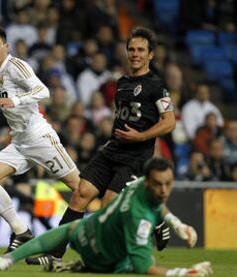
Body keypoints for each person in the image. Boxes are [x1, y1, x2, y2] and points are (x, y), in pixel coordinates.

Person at [27, 26, 177, 265]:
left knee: (108, 205)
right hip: (112, 150)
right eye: (131, 49)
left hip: (135, 156)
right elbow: (123, 118)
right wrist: (112, 139)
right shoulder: (121, 83)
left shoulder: (156, 86)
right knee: (80, 195)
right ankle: (54, 255)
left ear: (150, 55)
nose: (135, 54)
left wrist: (142, 136)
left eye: (141, 50)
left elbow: (169, 122)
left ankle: (150, 221)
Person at [0, 157, 212, 276]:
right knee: (133, 261)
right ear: (149, 181)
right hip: (107, 259)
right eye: (159, 184)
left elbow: (157, 203)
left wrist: (176, 223)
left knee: (67, 229)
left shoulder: (140, 185)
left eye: (168, 184)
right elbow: (142, 266)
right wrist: (183, 272)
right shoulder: (139, 220)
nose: (163, 190)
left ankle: (7, 260)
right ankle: (85, 265)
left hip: (87, 232)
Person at [0, 24, 80, 253]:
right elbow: (15, 117)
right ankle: (21, 231)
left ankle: (127, 213)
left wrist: (16, 101)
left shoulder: (15, 66)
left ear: (6, 46)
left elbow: (44, 91)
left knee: (81, 188)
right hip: (19, 142)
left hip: (39, 138)